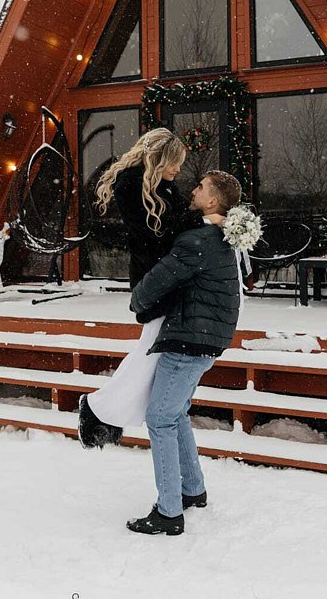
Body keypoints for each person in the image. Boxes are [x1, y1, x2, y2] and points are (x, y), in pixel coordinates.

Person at [77, 128, 224, 449]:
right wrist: (202, 222)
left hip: (172, 278)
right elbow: (152, 235)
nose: (178, 169)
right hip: (154, 279)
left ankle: (108, 411)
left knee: (153, 353)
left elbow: (177, 224)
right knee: (151, 351)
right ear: (159, 159)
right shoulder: (130, 184)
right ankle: (99, 408)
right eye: (175, 162)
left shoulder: (164, 185)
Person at [126, 170, 242, 536]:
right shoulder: (221, 238)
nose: (192, 191)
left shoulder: (198, 241)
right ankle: (193, 489)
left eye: (200, 188)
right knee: (175, 415)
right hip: (206, 339)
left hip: (189, 340)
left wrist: (137, 301)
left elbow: (157, 281)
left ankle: (169, 513)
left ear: (212, 201)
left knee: (159, 418)